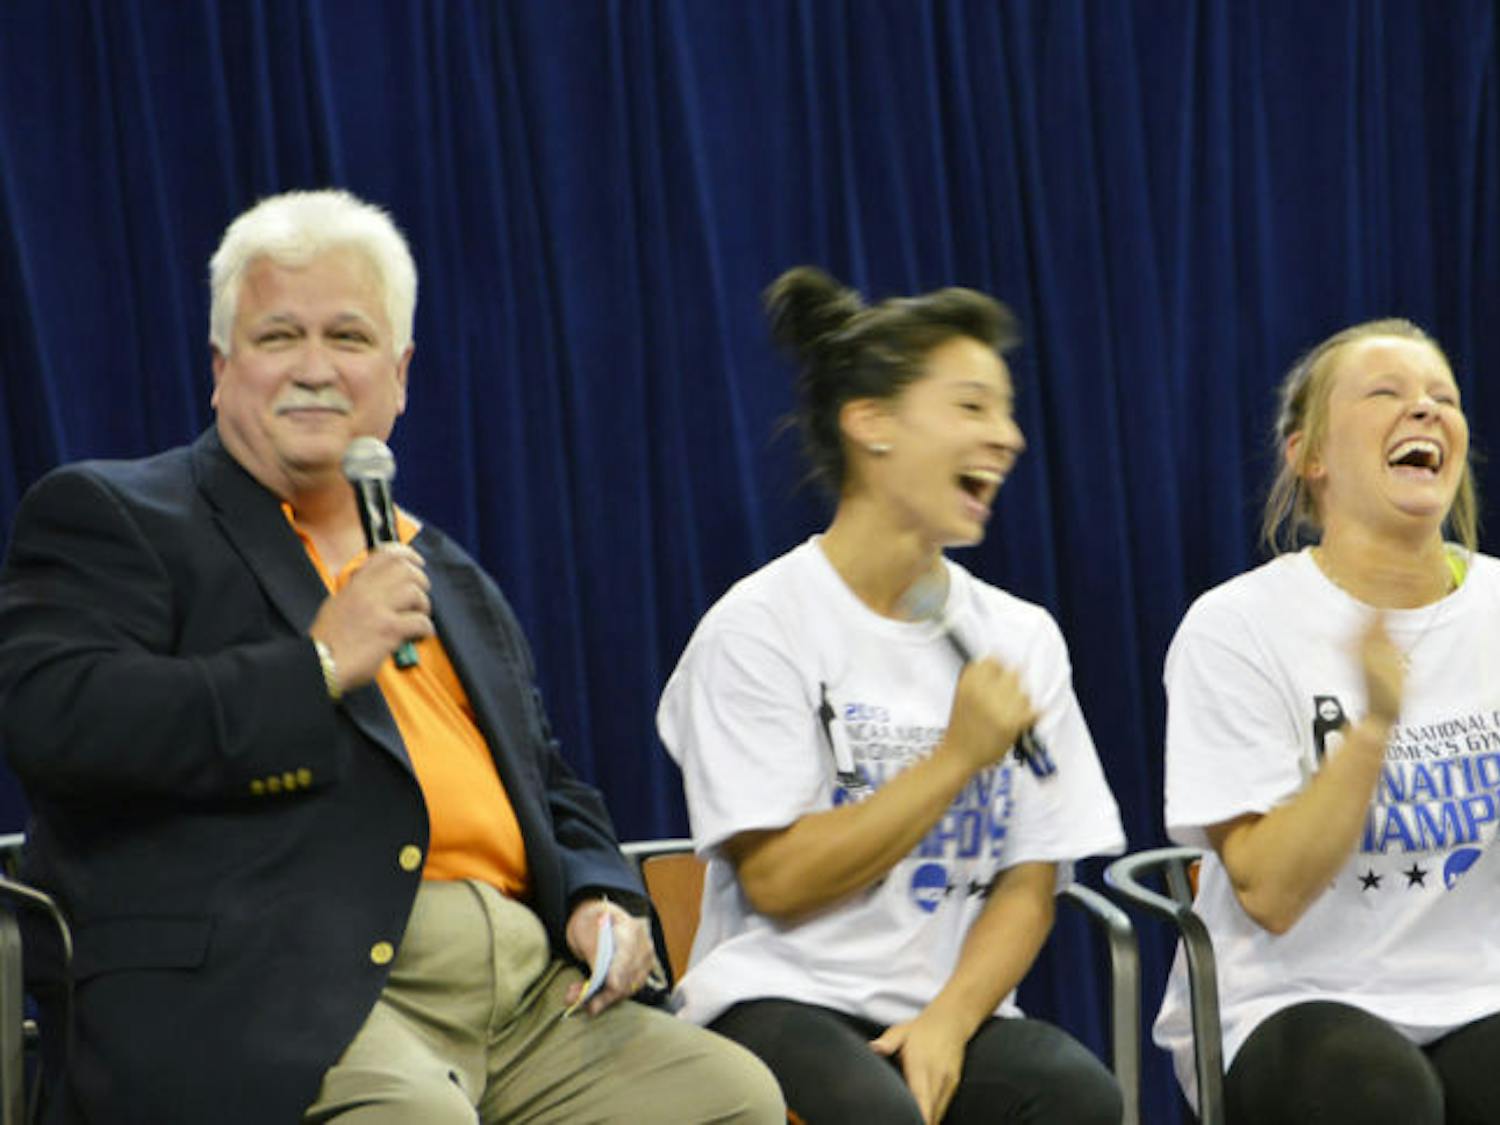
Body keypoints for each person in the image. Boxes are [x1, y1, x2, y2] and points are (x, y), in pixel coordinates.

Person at [0, 189, 783, 1125]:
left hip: (526, 1000)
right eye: (279, 336)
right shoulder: (119, 516)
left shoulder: (441, 567)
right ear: (220, 367)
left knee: (730, 1096)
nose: (317, 369)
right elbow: (61, 722)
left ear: (401, 375)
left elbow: (553, 786)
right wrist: (319, 662)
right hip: (280, 997)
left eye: (350, 338)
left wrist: (599, 892)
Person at [656, 266, 1127, 1124]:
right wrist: (954, 759)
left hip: (942, 1002)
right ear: (870, 424)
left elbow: (1031, 879)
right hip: (778, 998)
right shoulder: (761, 626)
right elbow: (780, 881)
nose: (1010, 436)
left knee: (1076, 1097)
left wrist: (948, 1022)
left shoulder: (1020, 636)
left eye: (1007, 410)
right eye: (972, 406)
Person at [1157, 318, 1500, 1123]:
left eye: (1441, 398)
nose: (1424, 410)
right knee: (1378, 1094)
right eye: (1386, 393)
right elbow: (1270, 891)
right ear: (1309, 457)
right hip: (1289, 1001)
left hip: (1477, 990)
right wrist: (1375, 724)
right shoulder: (1237, 625)